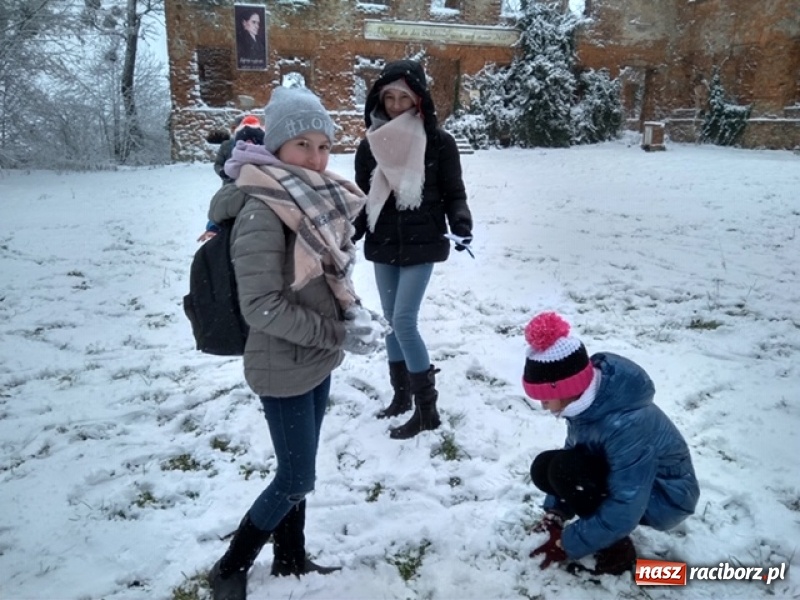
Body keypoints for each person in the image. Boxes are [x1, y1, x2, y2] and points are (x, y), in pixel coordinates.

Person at [205, 86, 386, 600]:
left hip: (315, 359)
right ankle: (231, 566)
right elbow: (260, 304)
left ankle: (289, 558)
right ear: (278, 145)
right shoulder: (265, 208)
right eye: (302, 145)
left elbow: (322, 279)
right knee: (295, 477)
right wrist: (337, 333)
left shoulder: (309, 196)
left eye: (324, 145)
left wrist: (351, 317)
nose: (316, 156)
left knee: (298, 470)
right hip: (281, 363)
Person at [522, 312, 700, 576]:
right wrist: (556, 511)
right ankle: (596, 529)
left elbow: (627, 502)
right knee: (547, 466)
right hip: (635, 483)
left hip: (664, 497)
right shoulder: (586, 405)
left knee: (566, 470)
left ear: (565, 388)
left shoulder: (626, 424)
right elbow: (574, 455)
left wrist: (568, 543)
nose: (542, 404)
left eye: (546, 397)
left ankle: (617, 551)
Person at [353, 59, 473, 440]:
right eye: (388, 96)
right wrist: (348, 234)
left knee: (404, 321)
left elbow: (454, 191)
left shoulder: (439, 142)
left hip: (423, 242)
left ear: (418, 100)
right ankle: (402, 397)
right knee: (390, 323)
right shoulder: (369, 144)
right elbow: (361, 199)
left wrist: (461, 223)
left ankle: (427, 410)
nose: (394, 104)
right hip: (384, 240)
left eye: (403, 97)